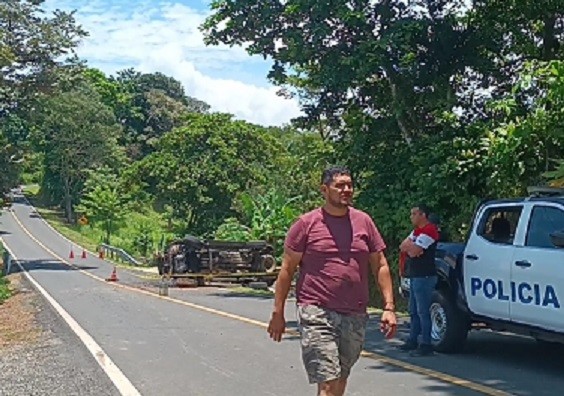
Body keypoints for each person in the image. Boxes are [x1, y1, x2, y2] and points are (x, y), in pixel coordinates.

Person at [267, 166, 397, 396]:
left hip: (354, 314)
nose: (346, 189)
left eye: (349, 185)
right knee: (328, 380)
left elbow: (380, 264)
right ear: (324, 190)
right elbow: (287, 269)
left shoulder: (363, 221)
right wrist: (278, 313)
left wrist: (389, 307)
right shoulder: (306, 224)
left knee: (340, 380)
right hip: (316, 311)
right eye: (340, 185)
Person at [398, 204, 439, 357]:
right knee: (413, 310)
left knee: (423, 311)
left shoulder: (429, 231)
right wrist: (411, 246)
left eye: (414, 214)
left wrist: (412, 247)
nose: (411, 217)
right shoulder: (417, 232)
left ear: (423, 215)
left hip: (425, 276)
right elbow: (403, 246)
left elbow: (414, 252)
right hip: (415, 275)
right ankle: (413, 340)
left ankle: (426, 344)